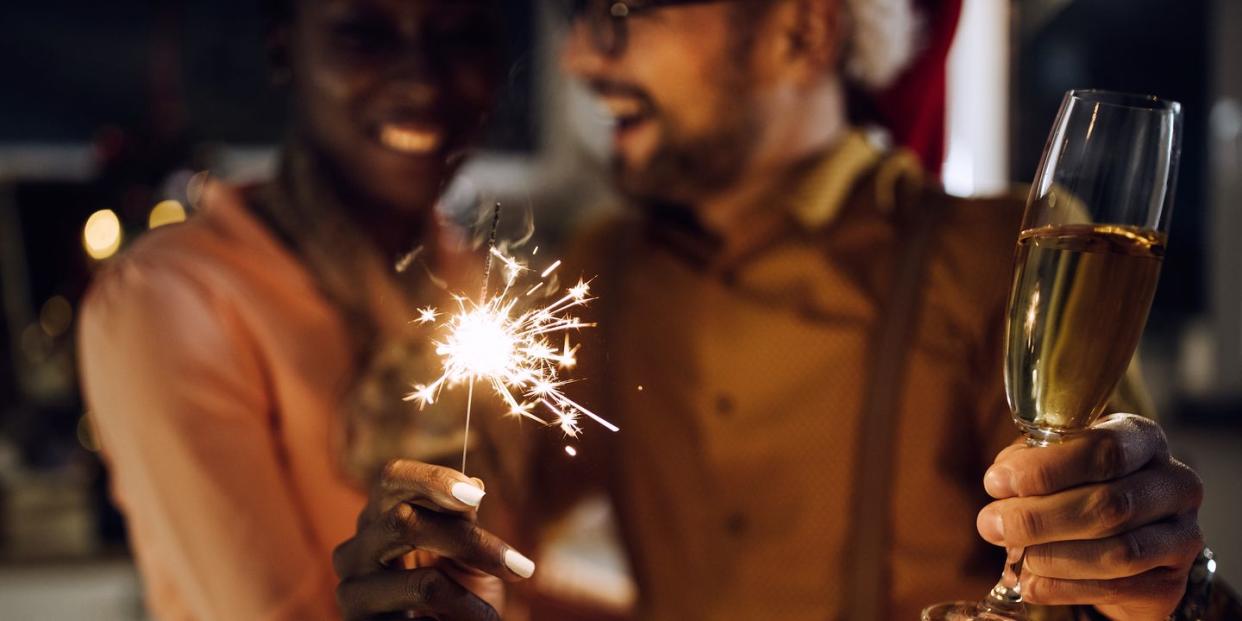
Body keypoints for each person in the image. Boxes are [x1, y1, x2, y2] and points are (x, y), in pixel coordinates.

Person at [333, 0, 1228, 620]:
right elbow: (498, 503)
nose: (579, 58)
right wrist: (426, 533)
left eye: (626, 12)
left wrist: (1163, 583)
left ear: (799, 30)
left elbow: (1123, 554)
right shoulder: (609, 269)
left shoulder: (990, 259)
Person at [77, 1, 538, 619]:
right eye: (365, 35)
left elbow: (519, 590)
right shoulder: (172, 300)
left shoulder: (471, 284)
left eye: (459, 38)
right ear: (282, 48)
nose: (422, 79)